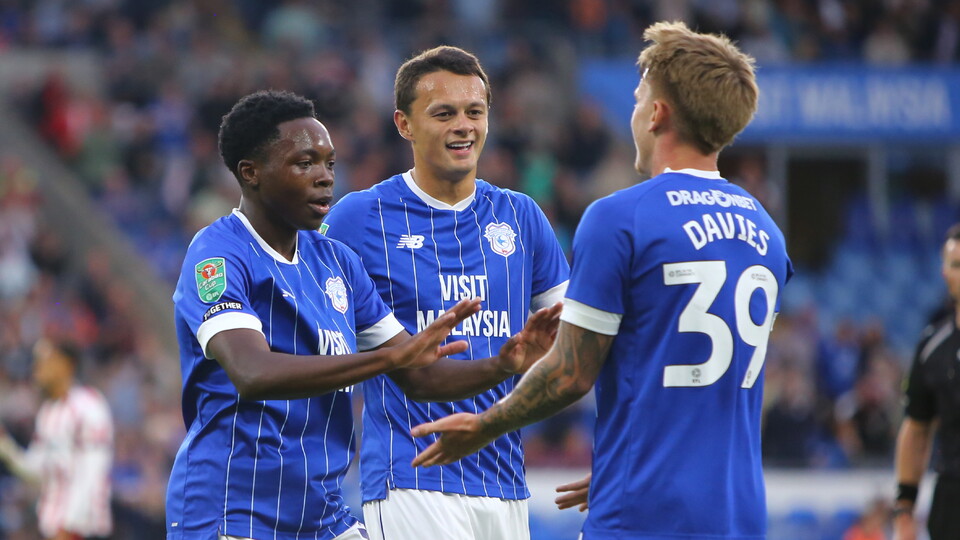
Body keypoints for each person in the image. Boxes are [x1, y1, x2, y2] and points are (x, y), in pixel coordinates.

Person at [410, 21, 793, 540]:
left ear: (657, 114)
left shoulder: (621, 217)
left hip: (642, 515)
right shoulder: (767, 233)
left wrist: (483, 426)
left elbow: (570, 374)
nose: (633, 113)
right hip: (738, 514)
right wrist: (628, 459)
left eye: (638, 100)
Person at [165, 89, 557, 540]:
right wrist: (390, 358)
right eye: (304, 163)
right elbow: (252, 373)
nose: (324, 177)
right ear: (250, 173)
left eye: (329, 163)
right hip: (232, 512)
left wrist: (504, 365)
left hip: (321, 515)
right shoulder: (218, 254)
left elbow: (420, 377)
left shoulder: (337, 262)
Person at [321, 46, 569, 540]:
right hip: (412, 478)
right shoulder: (359, 218)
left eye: (475, 112)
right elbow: (315, 336)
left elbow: (574, 350)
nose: (463, 126)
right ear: (404, 124)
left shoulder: (522, 217)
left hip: (506, 481)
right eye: (444, 113)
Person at [0, 338, 114, 540]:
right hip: (54, 528)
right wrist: (6, 447)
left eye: (45, 360)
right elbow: (37, 471)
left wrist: (71, 526)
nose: (37, 368)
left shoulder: (88, 404)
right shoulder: (48, 412)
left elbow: (94, 469)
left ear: (65, 364)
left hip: (80, 530)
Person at [892, 224, 960, 540]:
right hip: (951, 497)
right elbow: (917, 428)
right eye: (954, 264)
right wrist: (905, 507)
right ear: (944, 272)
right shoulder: (932, 346)